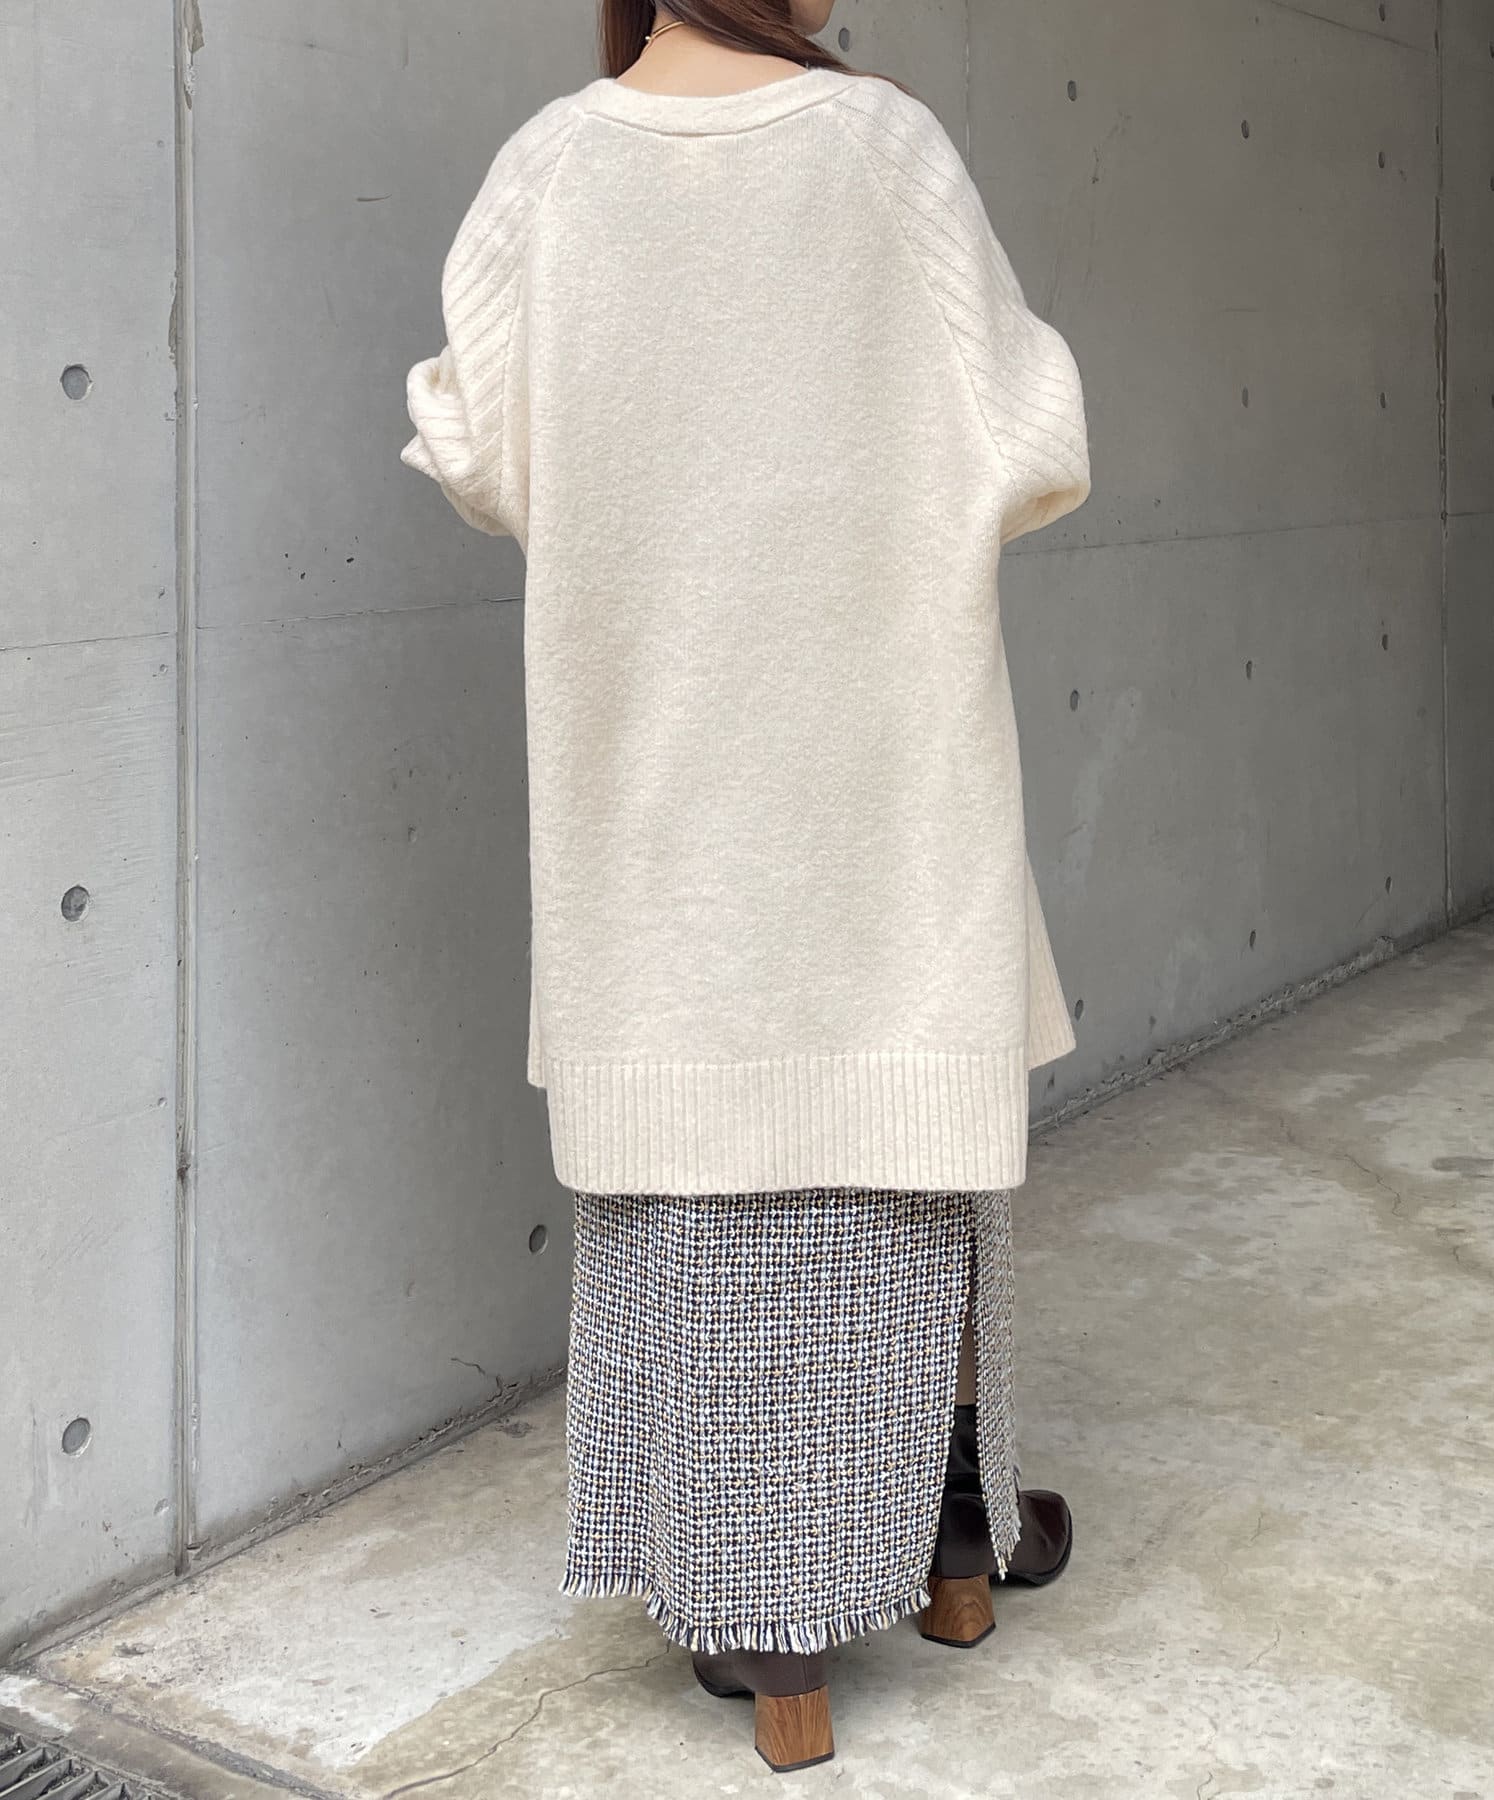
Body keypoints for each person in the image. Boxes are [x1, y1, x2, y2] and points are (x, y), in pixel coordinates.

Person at [400, 0, 1090, 1773]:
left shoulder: (546, 175)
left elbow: (471, 446)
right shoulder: (886, 149)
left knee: (700, 1180)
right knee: (907, 1130)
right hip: (875, 781)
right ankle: (950, 1534)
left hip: (654, 810)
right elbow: (1034, 437)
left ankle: (760, 1607)